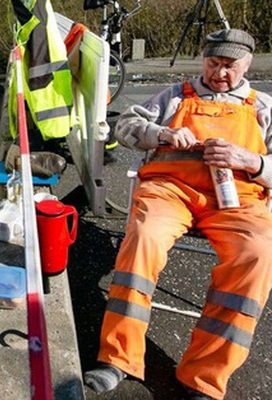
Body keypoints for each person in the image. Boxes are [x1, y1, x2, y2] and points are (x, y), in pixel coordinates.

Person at [83, 29, 272, 400]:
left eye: (229, 66)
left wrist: (252, 161)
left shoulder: (262, 106)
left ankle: (203, 378)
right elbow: (124, 127)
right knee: (143, 237)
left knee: (259, 256)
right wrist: (161, 134)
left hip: (239, 201)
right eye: (213, 63)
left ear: (247, 65)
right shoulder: (174, 96)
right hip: (170, 192)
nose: (220, 73)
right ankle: (118, 358)